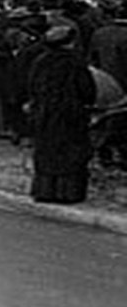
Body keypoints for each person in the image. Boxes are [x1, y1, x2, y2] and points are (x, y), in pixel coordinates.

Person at [27, 24, 98, 204]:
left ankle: (44, 191)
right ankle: (67, 193)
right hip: (70, 114)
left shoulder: (40, 61)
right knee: (70, 152)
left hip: (44, 112)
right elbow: (87, 90)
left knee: (46, 150)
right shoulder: (76, 63)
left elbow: (32, 86)